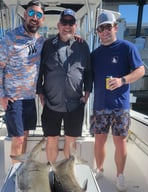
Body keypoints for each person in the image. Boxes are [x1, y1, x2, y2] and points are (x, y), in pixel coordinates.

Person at [90, 11, 145, 191]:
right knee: (99, 140)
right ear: (97, 32)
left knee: (120, 141)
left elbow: (140, 71)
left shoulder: (127, 47)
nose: (105, 31)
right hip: (100, 104)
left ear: (115, 27)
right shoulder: (95, 54)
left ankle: (120, 175)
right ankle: (99, 169)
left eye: (108, 27)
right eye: (101, 28)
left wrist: (122, 80)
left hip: (120, 105)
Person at [37, 9, 92, 163]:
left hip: (75, 103)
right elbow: (39, 71)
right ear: (58, 25)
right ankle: (52, 170)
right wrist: (40, 91)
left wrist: (87, 92)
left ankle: (66, 175)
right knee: (52, 139)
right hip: (51, 102)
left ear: (75, 26)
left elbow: (89, 72)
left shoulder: (83, 46)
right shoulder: (47, 45)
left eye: (71, 22)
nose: (67, 26)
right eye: (64, 22)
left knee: (70, 140)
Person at [0, 1, 45, 163]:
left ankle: (21, 170)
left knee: (26, 135)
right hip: (14, 99)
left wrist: (75, 36)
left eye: (38, 15)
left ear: (42, 19)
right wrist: (1, 95)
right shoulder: (10, 38)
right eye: (31, 13)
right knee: (18, 139)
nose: (34, 18)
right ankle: (14, 176)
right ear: (25, 15)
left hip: (30, 99)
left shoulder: (41, 41)